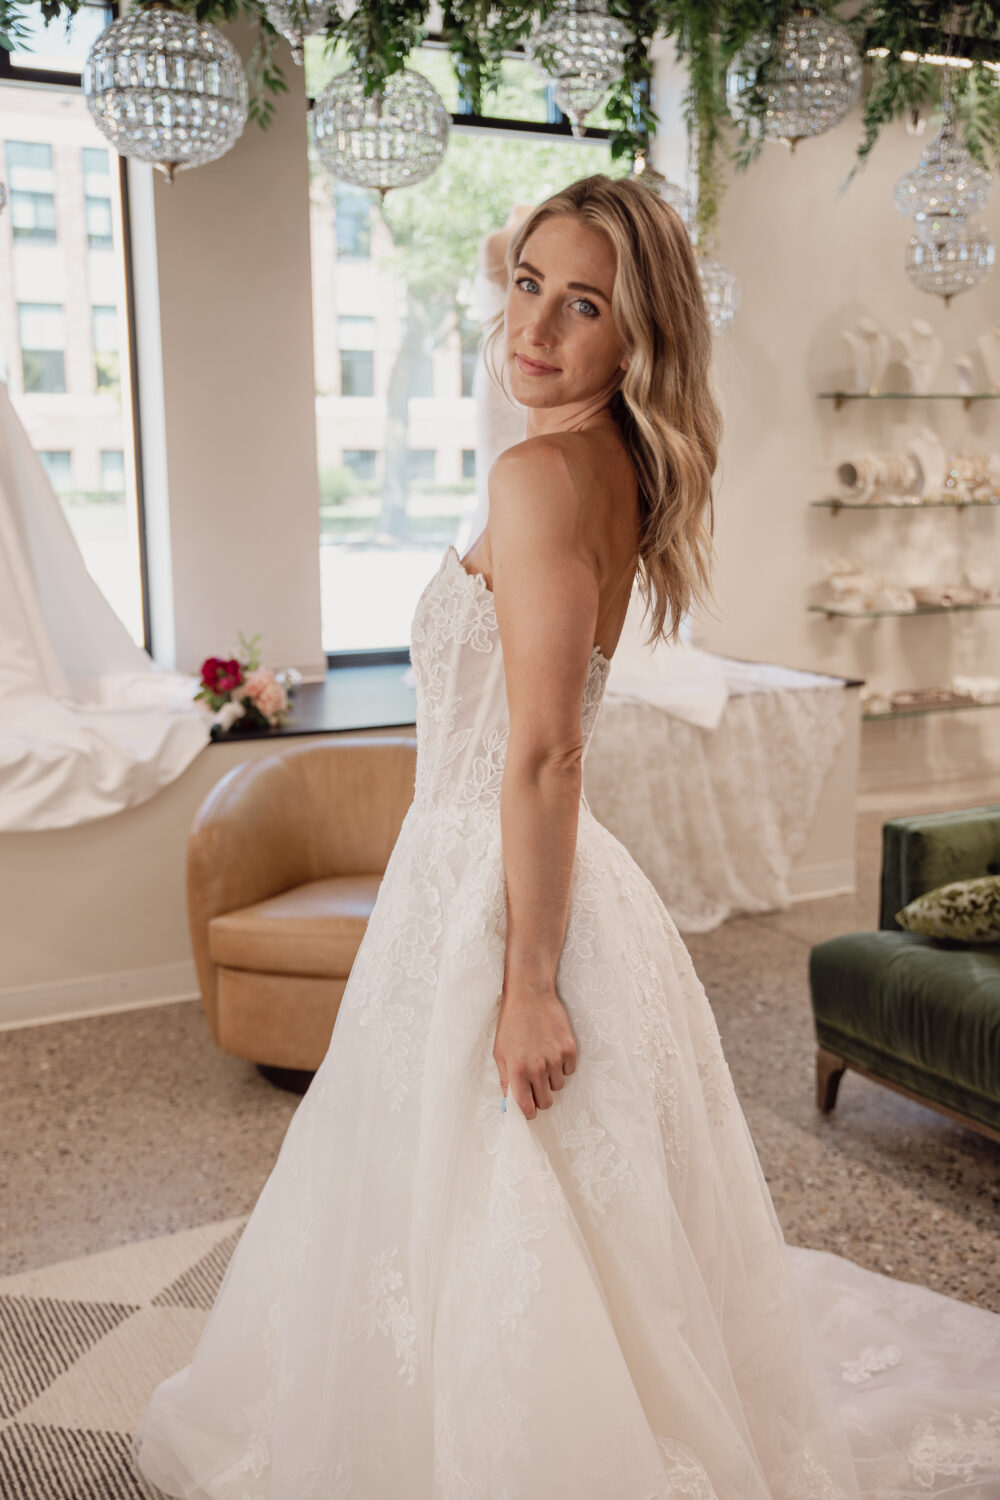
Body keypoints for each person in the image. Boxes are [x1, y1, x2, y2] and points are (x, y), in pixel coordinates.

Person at [131, 174, 1000, 1500]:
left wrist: (530, 979)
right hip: (511, 869)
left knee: (499, 1191)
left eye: (582, 303)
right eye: (528, 284)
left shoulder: (540, 473)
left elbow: (545, 748)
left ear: (634, 337)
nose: (535, 325)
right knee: (507, 1204)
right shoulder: (614, 467)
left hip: (505, 885)